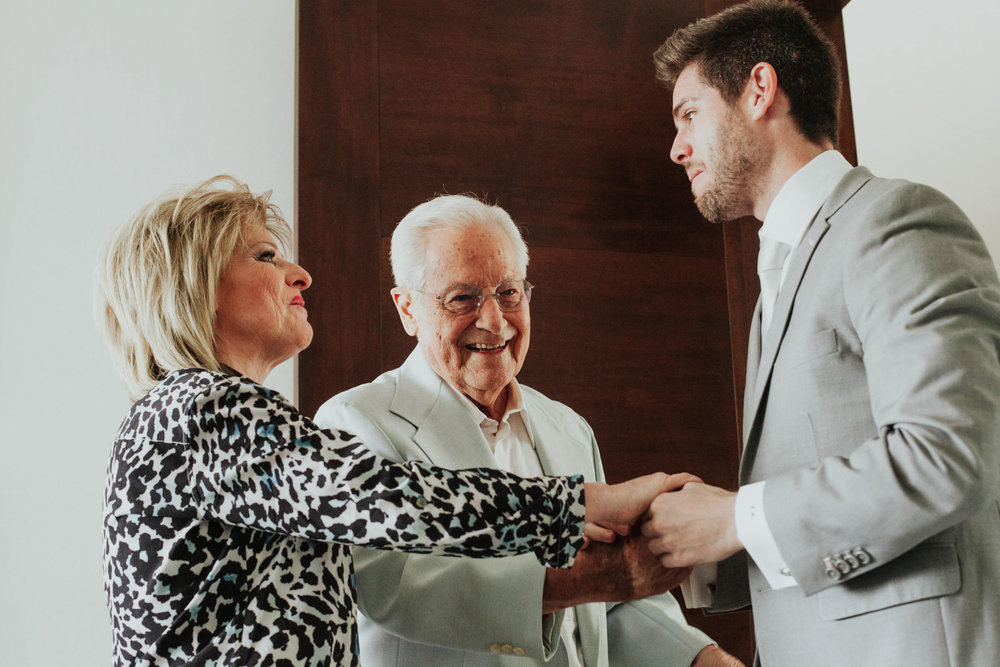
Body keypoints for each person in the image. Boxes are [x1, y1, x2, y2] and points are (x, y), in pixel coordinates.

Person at [95, 175, 683, 666]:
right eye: (266, 256)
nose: (300, 274)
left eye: (509, 291)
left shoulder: (217, 414)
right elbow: (388, 499)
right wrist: (587, 505)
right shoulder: (198, 412)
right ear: (195, 287)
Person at [639, 1, 1000, 665]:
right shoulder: (772, 281)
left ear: (759, 89)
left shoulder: (896, 221)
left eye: (688, 113)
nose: (676, 147)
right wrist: (687, 551)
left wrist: (731, 517)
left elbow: (950, 456)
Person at [314, 194, 743, 667]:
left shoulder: (569, 427)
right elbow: (397, 589)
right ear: (407, 310)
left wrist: (702, 659)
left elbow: (616, 605)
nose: (495, 320)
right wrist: (593, 578)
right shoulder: (353, 422)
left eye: (509, 292)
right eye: (463, 298)